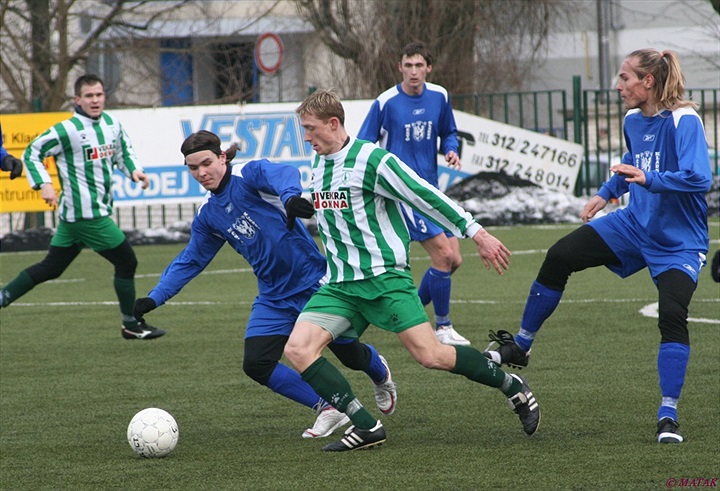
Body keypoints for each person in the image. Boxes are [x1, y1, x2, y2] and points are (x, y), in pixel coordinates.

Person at [284, 89, 541, 452]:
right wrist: (305, 202)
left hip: (384, 279)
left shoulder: (373, 160)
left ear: (333, 123)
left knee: (431, 355)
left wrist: (476, 232)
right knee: (297, 349)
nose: (306, 137)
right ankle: (366, 425)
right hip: (341, 284)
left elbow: (424, 195)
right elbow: (332, 198)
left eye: (310, 129)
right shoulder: (320, 162)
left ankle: (513, 387)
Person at [483, 49, 712, 444]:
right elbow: (632, 161)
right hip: (634, 224)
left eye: (625, 78)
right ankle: (521, 346)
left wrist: (648, 178)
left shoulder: (683, 119)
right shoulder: (631, 120)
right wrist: (608, 192)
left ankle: (668, 414)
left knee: (672, 315)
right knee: (559, 257)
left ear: (648, 82)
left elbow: (699, 178)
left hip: (679, 242)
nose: (618, 86)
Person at [133, 130, 397, 439]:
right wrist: (154, 298)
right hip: (274, 297)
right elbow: (191, 260)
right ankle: (328, 407)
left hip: (314, 284)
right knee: (256, 363)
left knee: (349, 355)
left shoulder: (248, 174)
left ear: (221, 157)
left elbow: (282, 173)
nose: (201, 173)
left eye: (206, 163)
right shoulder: (209, 216)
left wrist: (290, 198)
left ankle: (380, 371)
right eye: (193, 168)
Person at [0, 74, 165, 340]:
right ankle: (131, 325)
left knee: (51, 268)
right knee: (127, 261)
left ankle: (2, 296)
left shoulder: (112, 124)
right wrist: (43, 184)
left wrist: (135, 171)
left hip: (76, 217)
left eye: (99, 95)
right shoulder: (68, 130)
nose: (95, 100)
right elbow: (33, 152)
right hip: (87, 216)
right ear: (77, 100)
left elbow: (123, 152)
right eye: (89, 96)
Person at [357, 41, 469, 346]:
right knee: (444, 255)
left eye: (419, 65)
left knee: (454, 260)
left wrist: (450, 150)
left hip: (431, 189)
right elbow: (363, 144)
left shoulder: (440, 96)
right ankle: (442, 328)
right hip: (403, 192)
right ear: (400, 68)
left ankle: (411, 313)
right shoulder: (386, 102)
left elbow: (449, 131)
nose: (414, 71)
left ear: (428, 68)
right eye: (408, 65)